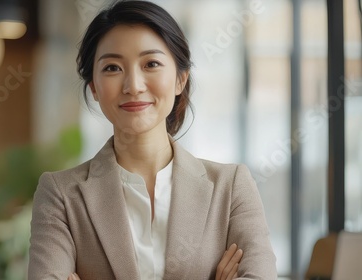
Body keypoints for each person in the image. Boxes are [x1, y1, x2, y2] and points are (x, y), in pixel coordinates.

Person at [28, 1, 277, 279]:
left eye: (151, 64)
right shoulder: (60, 195)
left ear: (180, 79)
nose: (133, 85)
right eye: (112, 67)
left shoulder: (231, 188)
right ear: (94, 88)